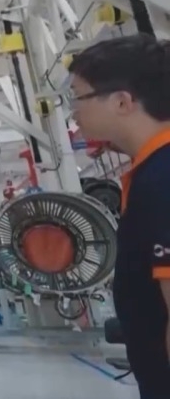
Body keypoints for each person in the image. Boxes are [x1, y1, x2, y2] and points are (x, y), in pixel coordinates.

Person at [66, 34, 170, 398]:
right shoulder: (150, 172)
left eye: (78, 97)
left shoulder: (163, 178)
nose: (73, 112)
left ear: (122, 102)